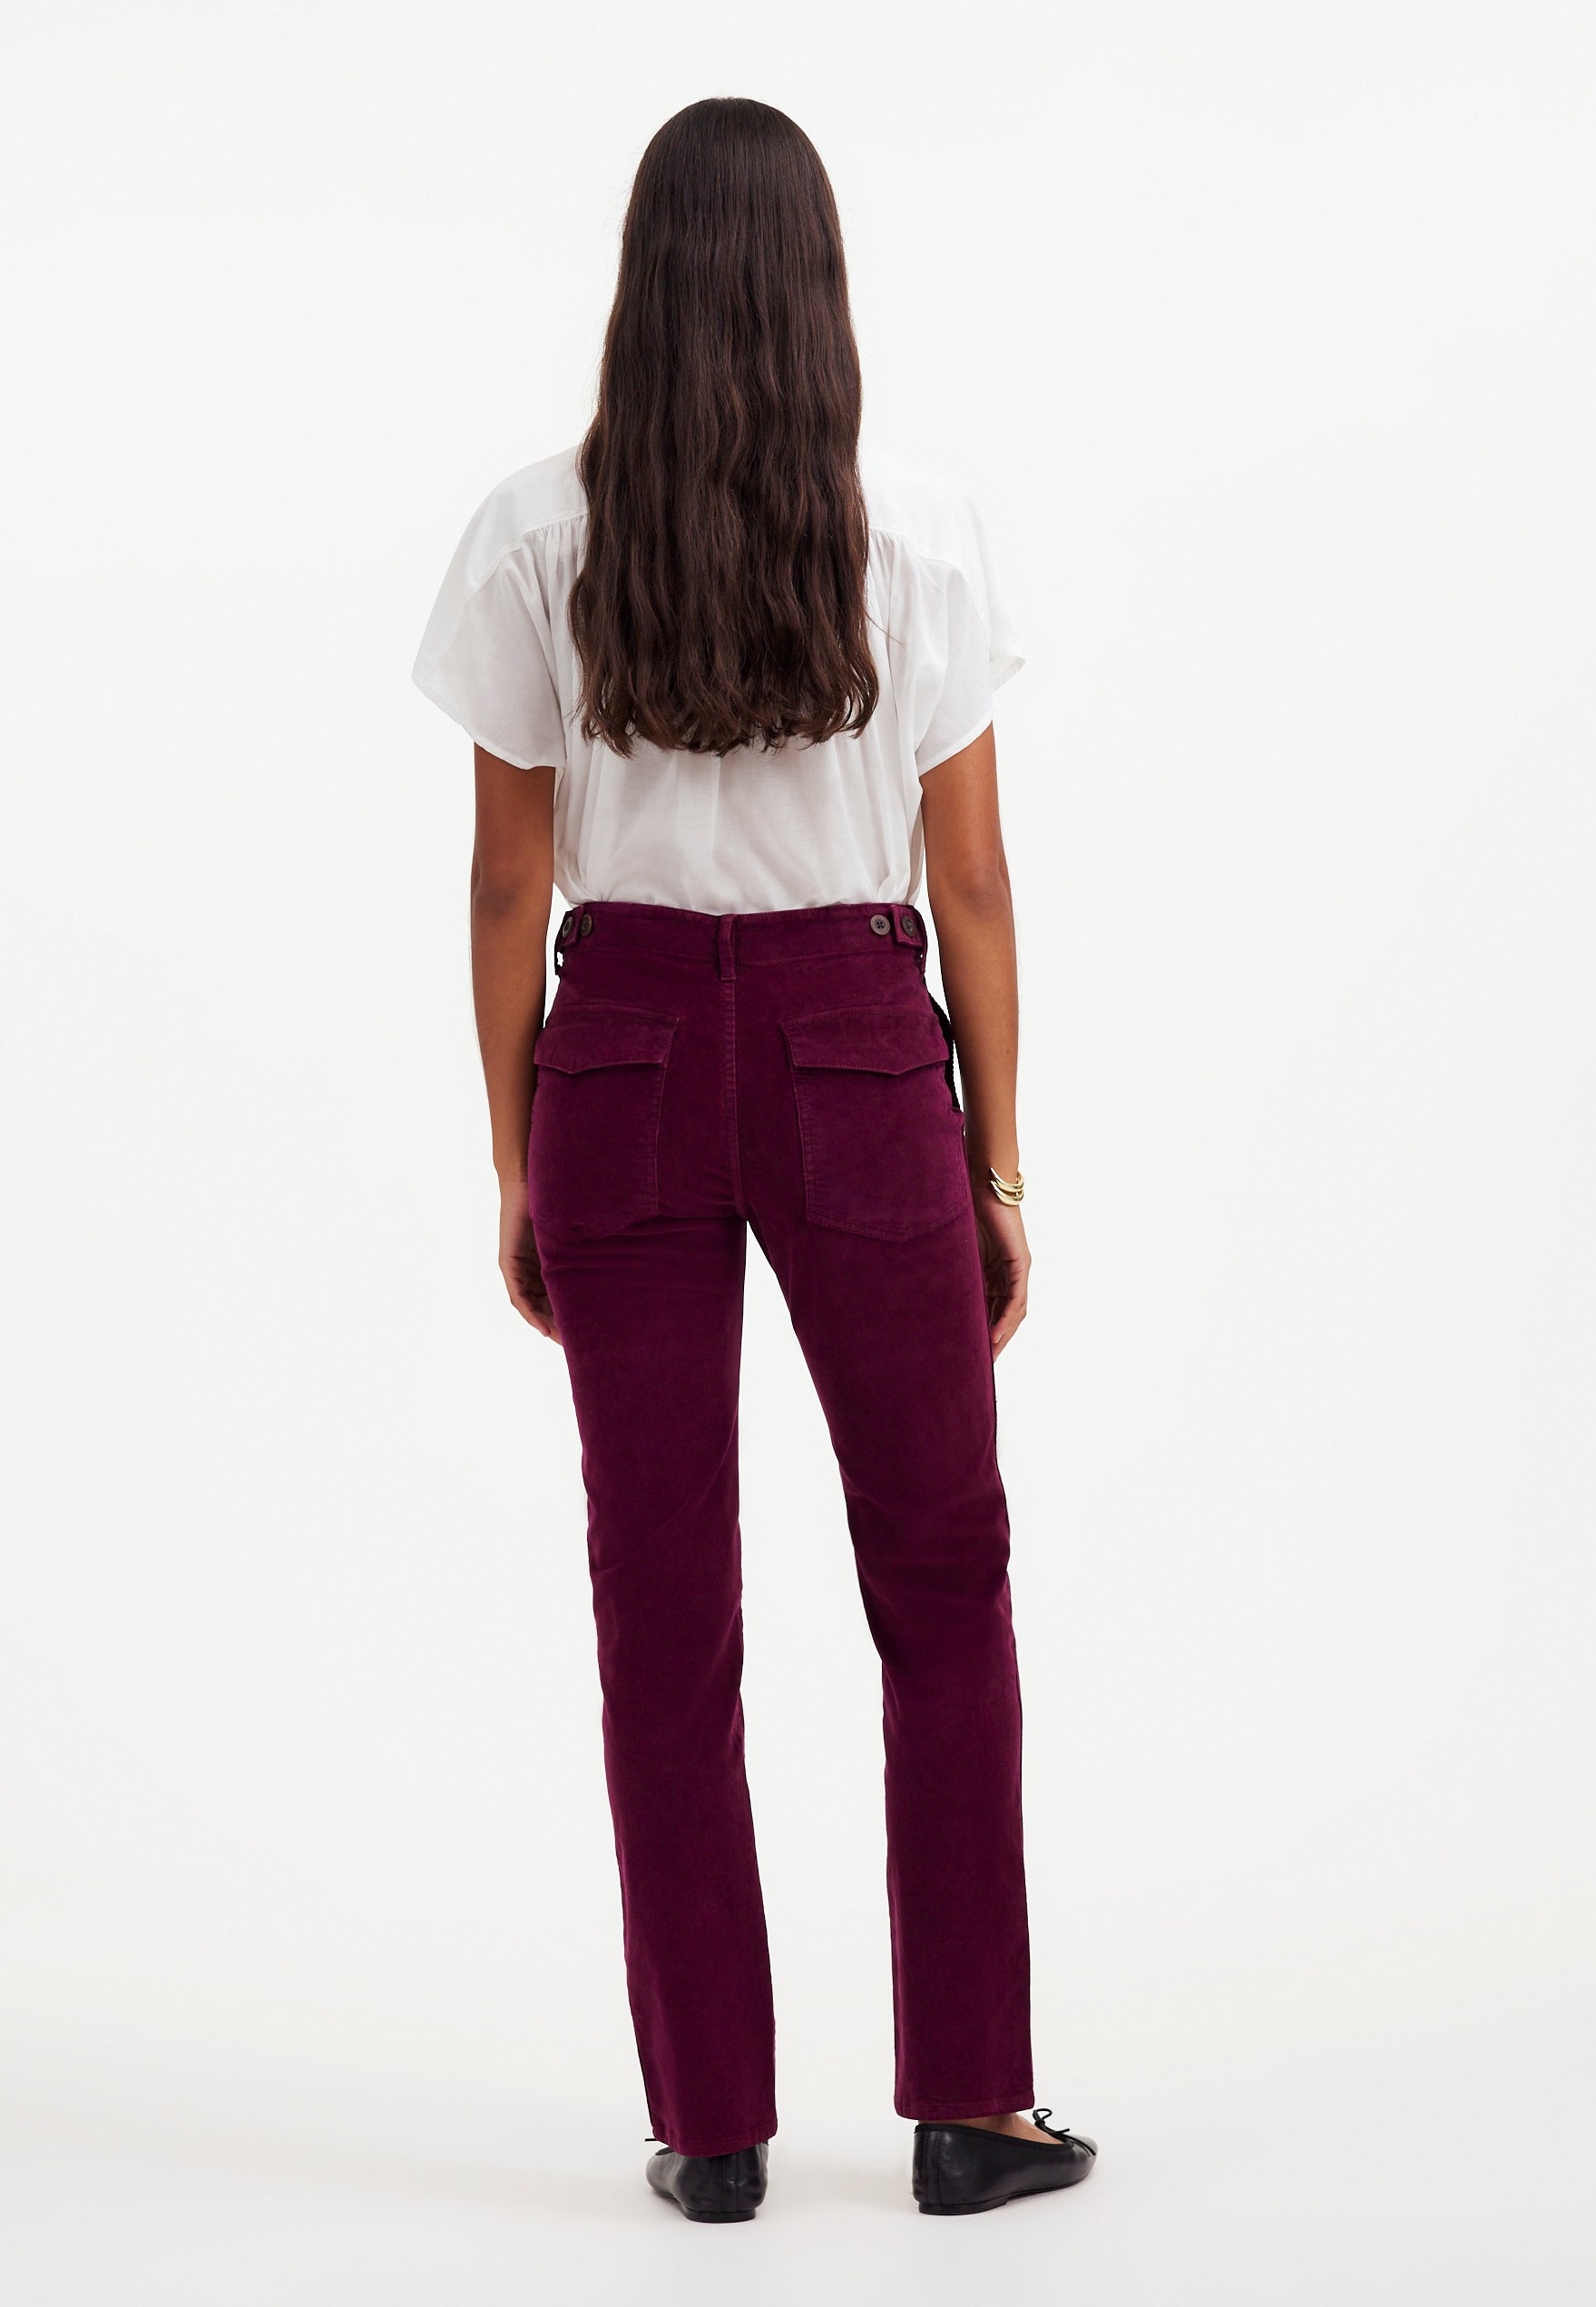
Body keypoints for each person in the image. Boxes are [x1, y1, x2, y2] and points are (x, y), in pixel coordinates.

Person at [413, 96, 1095, 2223]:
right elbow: (970, 885)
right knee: (942, 1575)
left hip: (614, 1052)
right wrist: (997, 1163)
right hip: (855, 1053)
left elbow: (503, 878)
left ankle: (711, 2127)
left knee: (660, 1601)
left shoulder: (537, 527)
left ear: (643, 283)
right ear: (818, 285)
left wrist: (515, 1152)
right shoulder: (920, 530)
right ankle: (971, 2100)